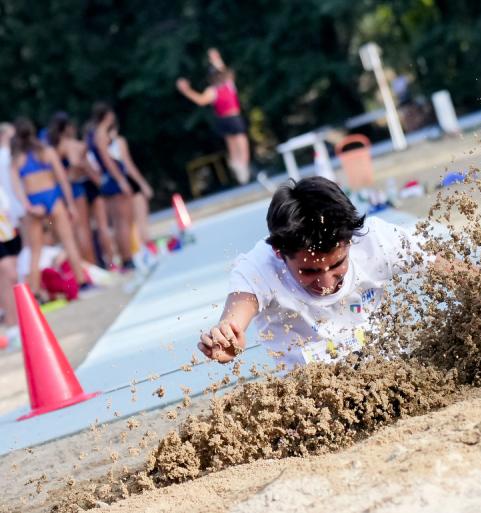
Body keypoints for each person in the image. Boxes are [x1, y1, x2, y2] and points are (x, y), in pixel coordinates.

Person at [198, 176, 437, 368]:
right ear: (280, 254)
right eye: (309, 271)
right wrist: (226, 338)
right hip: (315, 398)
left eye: (336, 265)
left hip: (389, 369)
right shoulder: (258, 268)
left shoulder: (378, 240)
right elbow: (234, 318)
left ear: (350, 242)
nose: (326, 283)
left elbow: (455, 271)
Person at [9, 117, 89, 300]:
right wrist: (70, 205)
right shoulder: (47, 152)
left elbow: (16, 189)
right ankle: (81, 281)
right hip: (52, 196)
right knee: (68, 241)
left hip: (34, 200)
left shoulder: (17, 160)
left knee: (35, 250)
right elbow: (62, 180)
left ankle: (36, 292)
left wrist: (28, 206)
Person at [176, 48, 251, 185]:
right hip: (232, 118)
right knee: (240, 143)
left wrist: (215, 58)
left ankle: (239, 166)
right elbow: (201, 100)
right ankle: (242, 167)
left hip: (224, 119)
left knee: (233, 144)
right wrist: (186, 91)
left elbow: (201, 99)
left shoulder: (217, 88)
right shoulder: (224, 86)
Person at [86, 103, 135, 270]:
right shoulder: (100, 133)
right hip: (113, 179)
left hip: (109, 178)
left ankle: (126, 256)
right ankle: (127, 257)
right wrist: (121, 180)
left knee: (119, 220)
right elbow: (107, 159)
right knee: (122, 221)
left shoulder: (95, 132)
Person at [48, 113, 99, 265]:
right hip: (74, 189)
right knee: (83, 229)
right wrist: (77, 172)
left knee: (70, 233)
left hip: (58, 190)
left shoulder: (53, 146)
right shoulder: (70, 144)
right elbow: (74, 164)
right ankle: (90, 265)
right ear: (68, 127)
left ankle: (81, 266)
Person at [108, 123, 153, 253]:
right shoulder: (119, 141)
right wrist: (143, 184)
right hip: (127, 181)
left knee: (124, 222)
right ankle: (145, 248)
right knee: (140, 217)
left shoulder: (98, 147)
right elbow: (128, 164)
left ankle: (135, 250)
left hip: (114, 186)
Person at [0, 124, 23, 348]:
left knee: (10, 273)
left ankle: (14, 323)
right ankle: (11, 324)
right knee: (7, 270)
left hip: (3, 219)